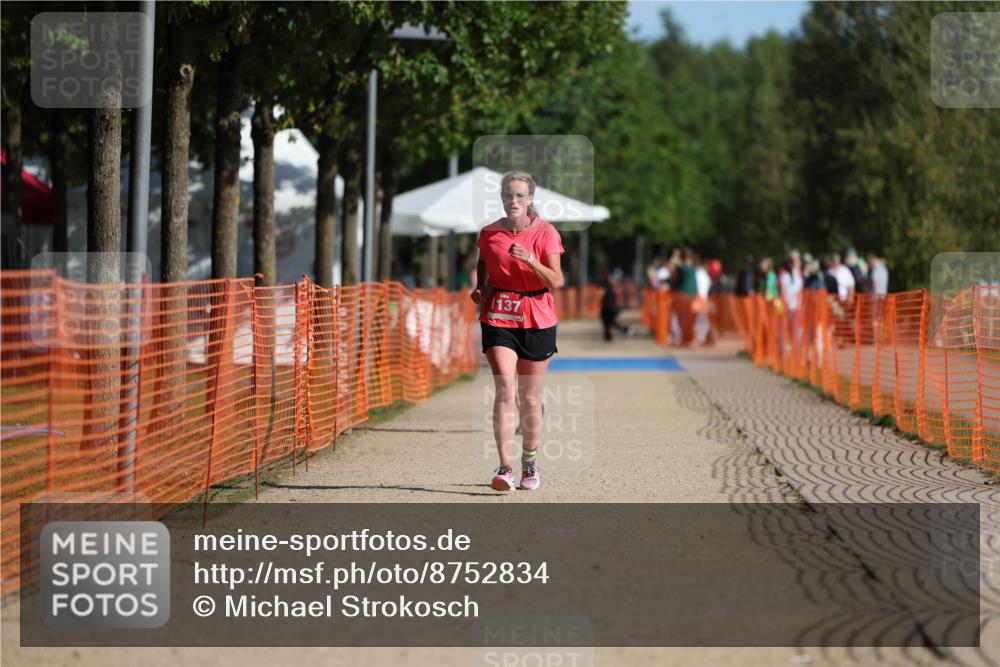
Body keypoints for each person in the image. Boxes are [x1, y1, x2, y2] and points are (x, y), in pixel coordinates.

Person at [471, 171, 564, 492]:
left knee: (529, 396)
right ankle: (505, 467)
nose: (514, 201)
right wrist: (481, 288)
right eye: (509, 195)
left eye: (520, 196)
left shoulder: (546, 233)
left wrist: (530, 261)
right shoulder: (488, 233)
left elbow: (557, 280)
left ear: (530, 200)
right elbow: (484, 262)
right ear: (502, 198)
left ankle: (530, 463)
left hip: (538, 315)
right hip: (499, 315)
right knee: (506, 391)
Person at [599, 270, 631, 342]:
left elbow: (601, 293)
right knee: (607, 322)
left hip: (608, 307)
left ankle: (625, 330)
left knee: (609, 322)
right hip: (611, 307)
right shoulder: (611, 285)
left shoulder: (605, 284)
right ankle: (608, 336)